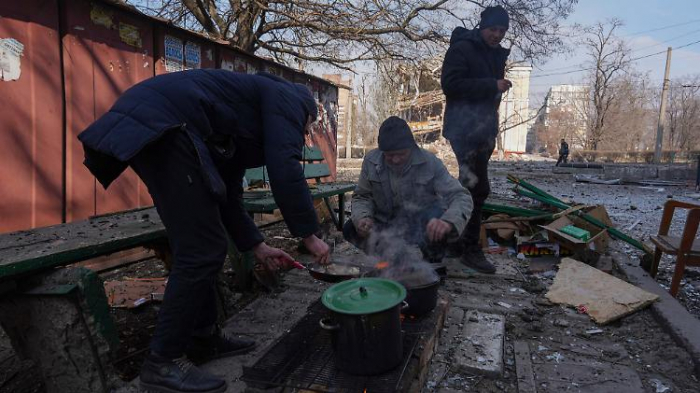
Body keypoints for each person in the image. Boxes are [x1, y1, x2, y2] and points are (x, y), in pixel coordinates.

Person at [78, 69, 330, 393]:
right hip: (165, 125)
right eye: (307, 129)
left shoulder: (242, 117)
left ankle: (203, 338)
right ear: (307, 112)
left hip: (160, 123)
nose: (304, 135)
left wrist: (257, 246)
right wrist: (309, 235)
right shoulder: (291, 98)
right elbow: (285, 166)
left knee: (205, 243)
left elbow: (228, 194)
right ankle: (162, 361)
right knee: (200, 249)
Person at [345, 116, 473, 270]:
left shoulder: (430, 162)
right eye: (390, 155)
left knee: (440, 223)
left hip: (418, 225)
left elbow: (460, 196)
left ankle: (432, 266)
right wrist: (363, 217)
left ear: (412, 148)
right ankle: (392, 260)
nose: (396, 160)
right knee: (350, 228)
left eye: (402, 154)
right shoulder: (371, 161)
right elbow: (362, 196)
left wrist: (448, 221)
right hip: (386, 224)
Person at [440, 5, 511, 274]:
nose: (497, 35)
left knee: (468, 187)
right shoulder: (462, 48)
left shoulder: (495, 54)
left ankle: (453, 242)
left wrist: (496, 92)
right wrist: (491, 85)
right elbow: (451, 85)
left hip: (484, 130)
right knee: (477, 188)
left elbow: (487, 96)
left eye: (502, 31)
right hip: (463, 129)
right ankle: (469, 248)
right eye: (494, 29)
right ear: (482, 26)